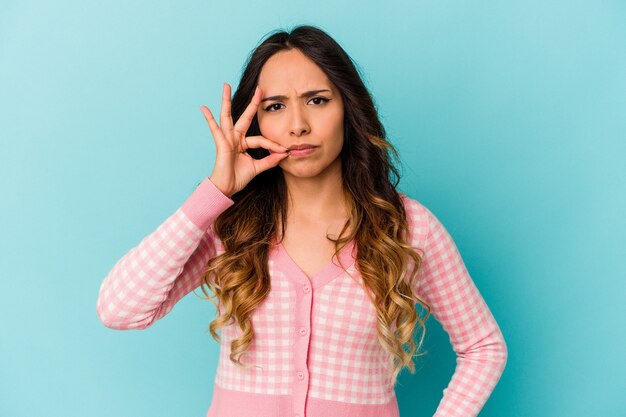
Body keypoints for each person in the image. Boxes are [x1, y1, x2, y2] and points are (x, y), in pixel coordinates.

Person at [96, 24, 507, 417]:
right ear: (255, 121)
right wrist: (215, 192)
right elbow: (120, 309)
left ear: (349, 107)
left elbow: (484, 346)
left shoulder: (405, 226)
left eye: (317, 100)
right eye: (276, 107)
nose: (297, 126)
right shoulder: (229, 224)